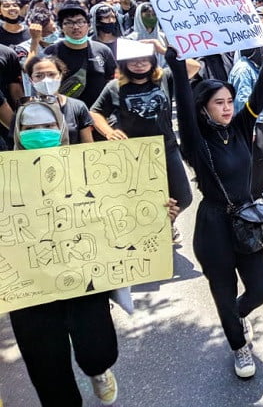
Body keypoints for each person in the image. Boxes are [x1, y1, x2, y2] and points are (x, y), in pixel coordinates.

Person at [8, 100, 176, 406]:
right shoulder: (4, 181)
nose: (38, 133)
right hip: (30, 296)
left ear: (60, 128)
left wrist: (155, 213)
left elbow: (120, 216)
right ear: (16, 132)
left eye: (46, 126)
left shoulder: (88, 172)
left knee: (99, 352)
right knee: (50, 379)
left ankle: (98, 370)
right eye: (29, 128)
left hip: (84, 283)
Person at [165, 34, 263, 379]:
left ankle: (237, 315)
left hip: (247, 220)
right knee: (223, 292)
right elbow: (184, 109)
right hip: (213, 226)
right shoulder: (196, 142)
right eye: (219, 102)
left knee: (261, 288)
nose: (228, 107)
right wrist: (176, 66)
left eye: (230, 100)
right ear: (205, 107)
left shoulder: (241, 128)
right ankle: (238, 345)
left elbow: (257, 99)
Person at [90, 47, 194, 213]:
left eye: (144, 59)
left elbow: (194, 66)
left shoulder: (165, 78)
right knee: (143, 198)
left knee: (183, 198)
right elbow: (95, 112)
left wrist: (161, 49)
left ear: (152, 61)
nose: (139, 64)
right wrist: (108, 132)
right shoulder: (114, 87)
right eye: (133, 61)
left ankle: (168, 221)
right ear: (124, 64)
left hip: (166, 147)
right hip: (134, 153)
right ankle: (159, 229)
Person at [228, 45, 263, 201]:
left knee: (261, 157)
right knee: (253, 159)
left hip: (261, 118)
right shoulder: (244, 69)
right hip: (253, 121)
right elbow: (242, 100)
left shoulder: (254, 66)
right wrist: (248, 128)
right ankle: (250, 196)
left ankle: (259, 191)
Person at [43, 4, 116, 109]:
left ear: (89, 25)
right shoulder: (51, 52)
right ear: (61, 27)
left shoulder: (102, 50)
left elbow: (112, 80)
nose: (76, 27)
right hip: (66, 113)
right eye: (69, 23)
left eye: (80, 22)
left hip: (98, 113)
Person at [24, 55, 94, 144]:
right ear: (31, 80)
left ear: (60, 75)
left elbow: (87, 143)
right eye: (39, 76)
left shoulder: (77, 107)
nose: (46, 80)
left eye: (51, 74)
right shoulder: (24, 110)